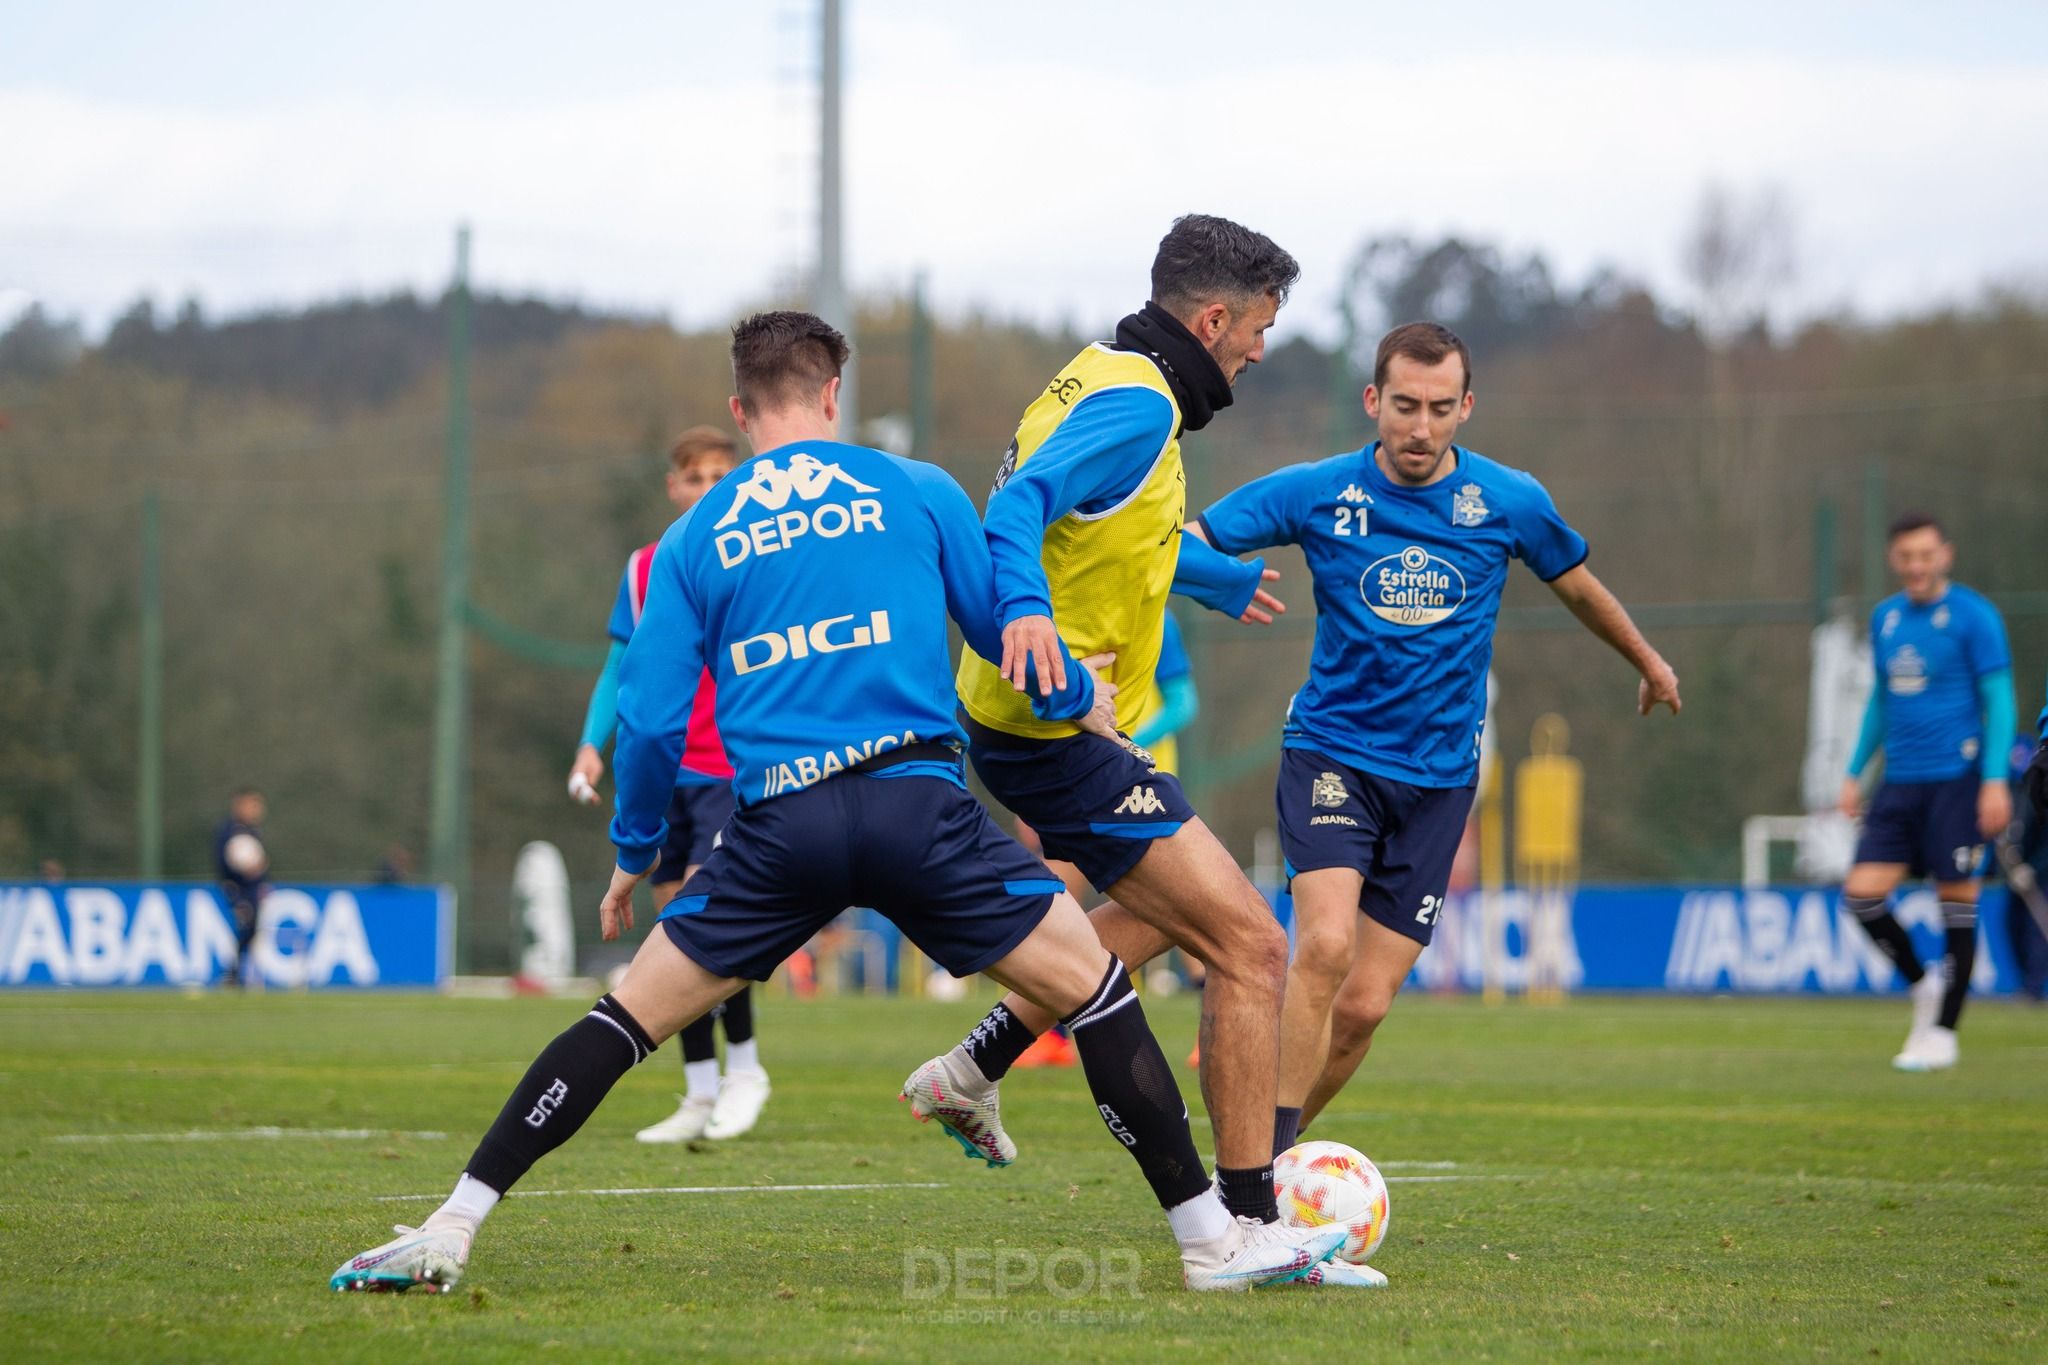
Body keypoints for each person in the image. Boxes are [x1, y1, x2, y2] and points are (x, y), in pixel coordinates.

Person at [330, 311, 1344, 1296]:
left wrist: (637, 845)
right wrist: (1082, 701)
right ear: (831, 393)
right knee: (1094, 993)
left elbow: (644, 720)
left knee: (619, 1022)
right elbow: (1005, 636)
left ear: (738, 410)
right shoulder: (915, 488)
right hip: (918, 811)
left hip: (779, 827)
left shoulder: (694, 536)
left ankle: (450, 1223)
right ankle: (1211, 1240)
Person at [903, 214, 1314, 1244]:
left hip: (1029, 722)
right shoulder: (1137, 407)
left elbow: (1107, 519)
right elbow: (1017, 508)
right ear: (1213, 319)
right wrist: (1029, 620)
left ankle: (971, 1068)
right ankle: (1248, 1226)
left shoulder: (1101, 373)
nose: (1258, 351)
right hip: (1056, 731)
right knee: (1254, 949)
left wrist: (1208, 577)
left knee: (1175, 917)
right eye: (1256, 329)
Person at [1191, 322, 1677, 1149]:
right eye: (1406, 405)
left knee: (1365, 1007)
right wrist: (1219, 581)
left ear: (1466, 408)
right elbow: (1185, 539)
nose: (1421, 426)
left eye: (1440, 408)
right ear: (1374, 401)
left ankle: (1258, 1157)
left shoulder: (1507, 500)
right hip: (1332, 754)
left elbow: (1578, 586)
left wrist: (1648, 659)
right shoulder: (1316, 492)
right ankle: (1254, 1182)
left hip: (1440, 781)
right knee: (1328, 944)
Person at [568, 426, 772, 1143]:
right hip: (664, 773)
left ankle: (745, 1066)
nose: (708, 489)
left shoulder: (760, 554)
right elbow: (623, 668)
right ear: (672, 486)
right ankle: (699, 1087)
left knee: (705, 913)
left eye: (724, 476)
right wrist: (595, 745)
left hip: (733, 769)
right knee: (673, 930)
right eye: (696, 478)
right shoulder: (644, 567)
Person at [1837, 513, 2014, 1071]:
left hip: (1957, 783)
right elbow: (1879, 704)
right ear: (1896, 561)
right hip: (1899, 784)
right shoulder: (1886, 619)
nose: (1917, 566)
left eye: (1926, 555)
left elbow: (2001, 702)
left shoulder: (1975, 616)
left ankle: (1943, 1032)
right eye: (1906, 557)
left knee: (1956, 903)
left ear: (1945, 555)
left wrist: (1993, 781)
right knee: (1861, 895)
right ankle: (1922, 984)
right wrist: (1853, 770)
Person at [1013, 608, 1201, 1070]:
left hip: (1143, 790)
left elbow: (1183, 702)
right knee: (1053, 904)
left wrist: (1120, 737)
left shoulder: (1158, 616)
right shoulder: (1050, 616)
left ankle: (1210, 1029)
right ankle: (1052, 1036)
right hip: (1074, 782)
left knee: (1185, 910)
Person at [212, 787, 270, 988]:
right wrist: (234, 893)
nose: (257, 810)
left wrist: (263, 879)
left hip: (254, 891)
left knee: (251, 931)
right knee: (244, 929)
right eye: (252, 804)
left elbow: (260, 865)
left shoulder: (253, 831)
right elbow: (222, 864)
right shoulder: (228, 831)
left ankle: (239, 974)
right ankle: (233, 974)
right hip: (238, 891)